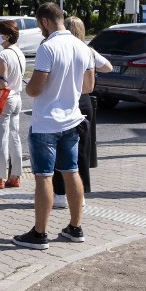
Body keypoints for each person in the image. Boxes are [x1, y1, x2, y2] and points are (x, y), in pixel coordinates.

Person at [12, 3, 94, 250]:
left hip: (47, 122)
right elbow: (88, 86)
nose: (39, 30)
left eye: (39, 25)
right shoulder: (83, 47)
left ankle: (39, 234)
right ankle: (76, 227)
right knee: (71, 172)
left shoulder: (47, 48)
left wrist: (27, 86)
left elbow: (36, 88)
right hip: (72, 120)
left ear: (45, 21)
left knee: (43, 177)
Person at [52, 16, 112, 208]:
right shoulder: (88, 51)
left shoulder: (62, 48)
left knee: (61, 147)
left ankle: (60, 192)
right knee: (82, 149)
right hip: (85, 101)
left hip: (67, 100)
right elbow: (108, 67)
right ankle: (81, 191)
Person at [0, 20, 26, 190]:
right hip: (17, 98)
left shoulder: (3, 55)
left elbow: (2, 82)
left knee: (1, 139)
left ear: (7, 36)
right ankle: (15, 176)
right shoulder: (19, 53)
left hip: (5, 99)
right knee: (15, 137)